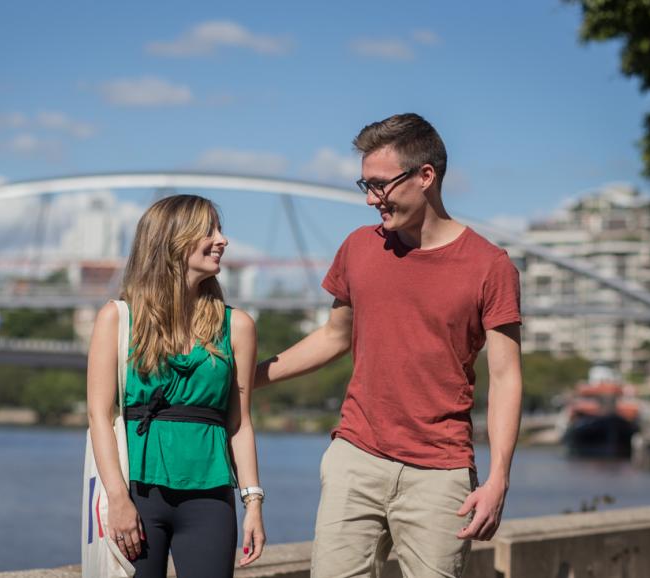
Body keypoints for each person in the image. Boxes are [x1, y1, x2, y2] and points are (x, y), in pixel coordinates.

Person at [255, 113, 522, 578]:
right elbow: (334, 336)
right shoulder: (359, 248)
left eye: (380, 185)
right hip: (355, 458)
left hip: (440, 474)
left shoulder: (490, 266)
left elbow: (505, 377)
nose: (370, 199)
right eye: (366, 185)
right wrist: (248, 377)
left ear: (426, 176)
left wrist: (498, 478)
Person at [87, 194, 266, 577]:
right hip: (137, 493)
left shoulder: (238, 327)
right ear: (171, 241)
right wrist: (118, 498)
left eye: (220, 229)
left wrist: (253, 502)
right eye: (209, 230)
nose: (223, 240)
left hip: (211, 496)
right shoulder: (116, 319)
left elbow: (240, 424)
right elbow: (99, 416)